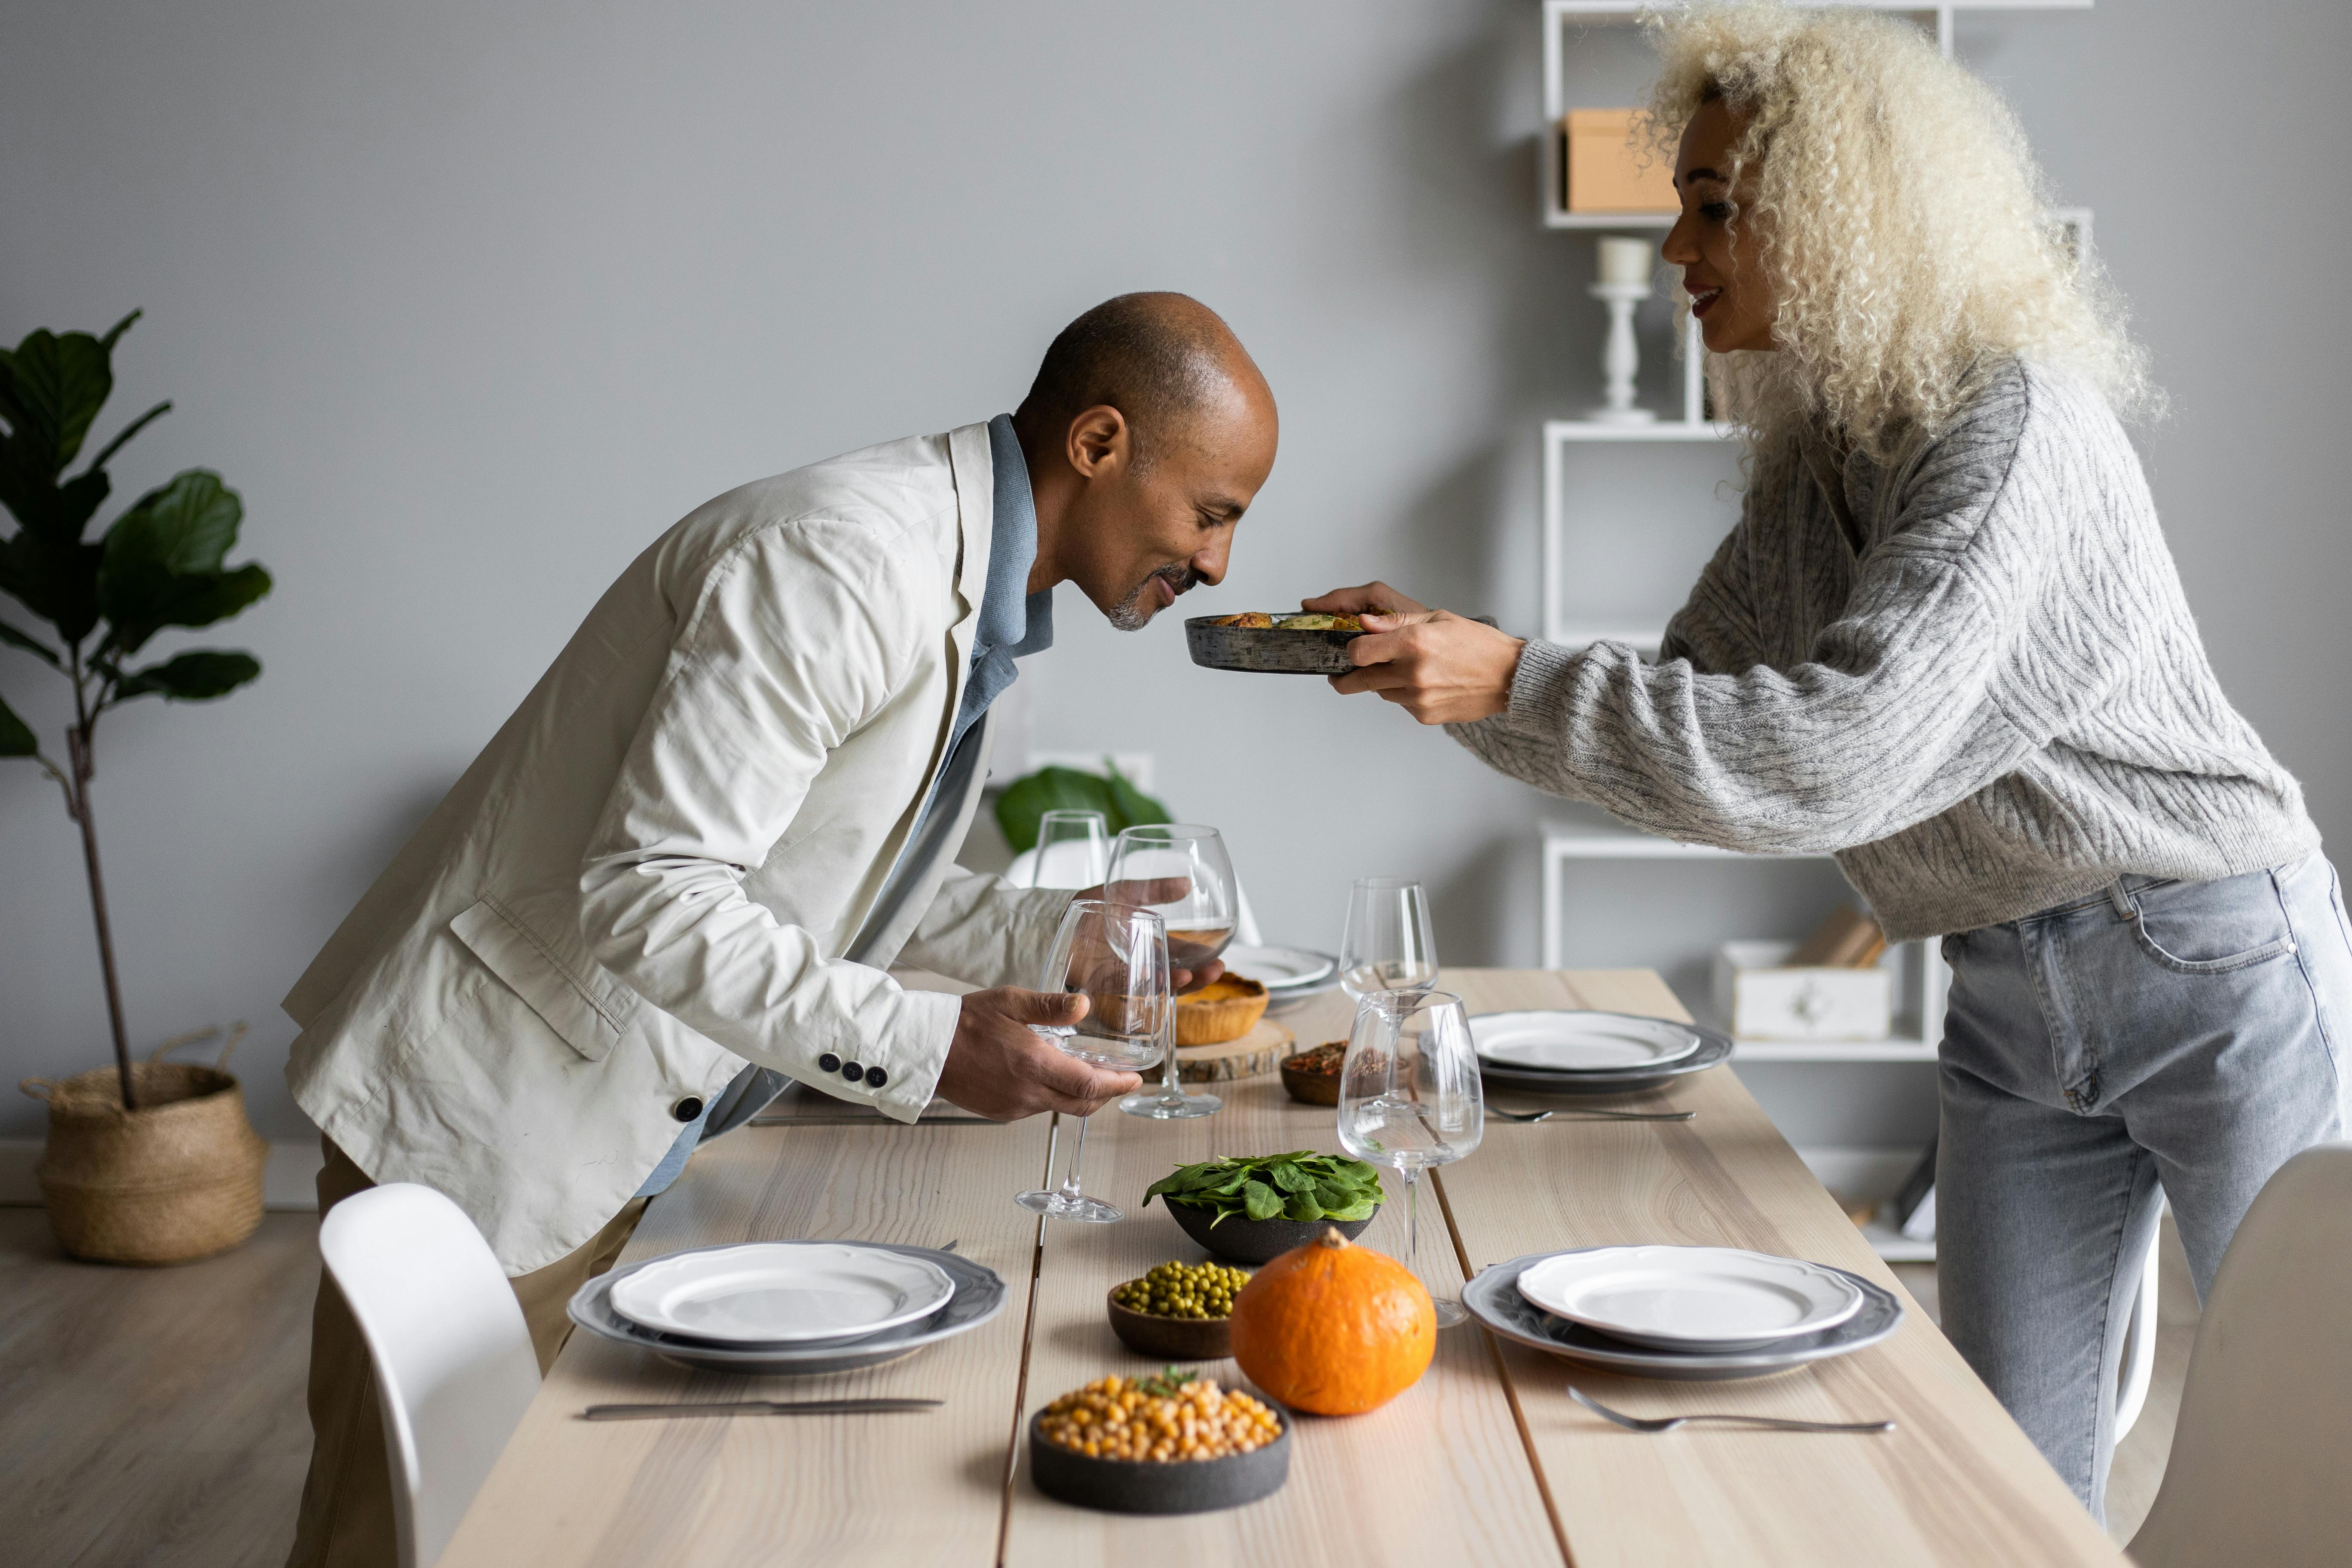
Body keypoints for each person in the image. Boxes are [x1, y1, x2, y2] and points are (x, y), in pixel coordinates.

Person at [1311, 6, 2345, 1522]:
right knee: (2006, 1476)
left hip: (2207, 960)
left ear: (1843, 210)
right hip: (2002, 987)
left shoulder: (2012, 431)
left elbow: (1832, 757)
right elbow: (1695, 709)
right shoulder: (1821, 459)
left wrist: (1512, 681)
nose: (1676, 245)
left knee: (2316, 1440)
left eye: (1714, 204)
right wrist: (1465, 663)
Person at [280, 291, 1278, 1567]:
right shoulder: (844, 562)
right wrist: (930, 1050)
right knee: (400, 1541)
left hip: (603, 1112)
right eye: (1214, 513)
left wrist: (1055, 941)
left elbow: (817, 872)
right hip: (490, 1117)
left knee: (535, 1534)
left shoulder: (948, 580)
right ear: (1096, 445)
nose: (1217, 568)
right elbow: (655, 886)